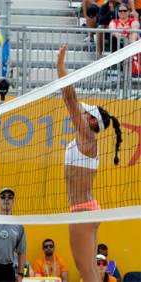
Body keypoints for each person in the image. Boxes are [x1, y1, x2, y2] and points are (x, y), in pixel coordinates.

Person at [56, 43, 122, 282]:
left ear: (92, 121)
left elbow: (70, 99)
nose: (81, 113)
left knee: (86, 270)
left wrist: (60, 67)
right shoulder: (86, 139)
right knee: (90, 270)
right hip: (87, 209)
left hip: (82, 211)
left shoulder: (87, 136)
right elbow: (74, 104)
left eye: (86, 113)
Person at [0, 188, 26, 282]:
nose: (6, 199)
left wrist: (20, 274)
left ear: (13, 201)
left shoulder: (18, 224)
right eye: (3, 197)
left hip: (7, 270)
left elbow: (22, 252)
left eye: (10, 197)